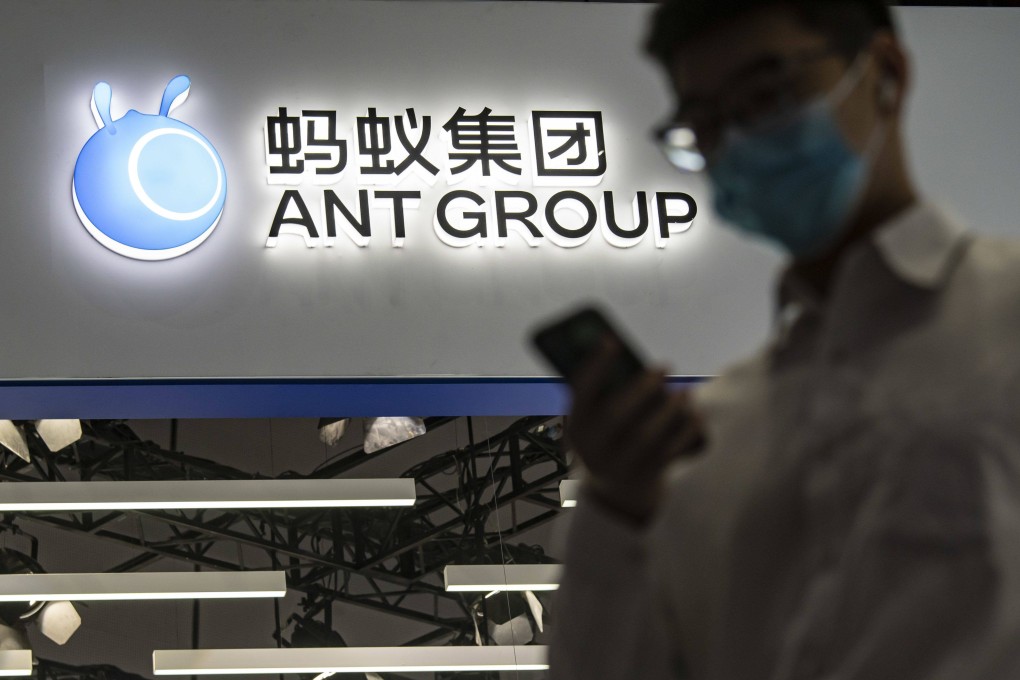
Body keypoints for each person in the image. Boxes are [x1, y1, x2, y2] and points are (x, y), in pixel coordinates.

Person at [550, 1, 1020, 679]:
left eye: (768, 95)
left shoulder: (1006, 316)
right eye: (707, 124)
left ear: (885, 73)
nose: (740, 143)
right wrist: (617, 506)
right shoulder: (714, 437)